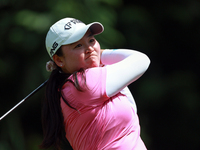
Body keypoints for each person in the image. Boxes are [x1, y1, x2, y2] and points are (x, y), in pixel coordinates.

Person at [40, 17, 150, 150]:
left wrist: (95, 55)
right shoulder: (85, 83)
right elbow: (141, 60)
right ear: (58, 60)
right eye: (78, 45)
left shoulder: (69, 89)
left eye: (91, 41)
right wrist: (100, 54)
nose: (89, 48)